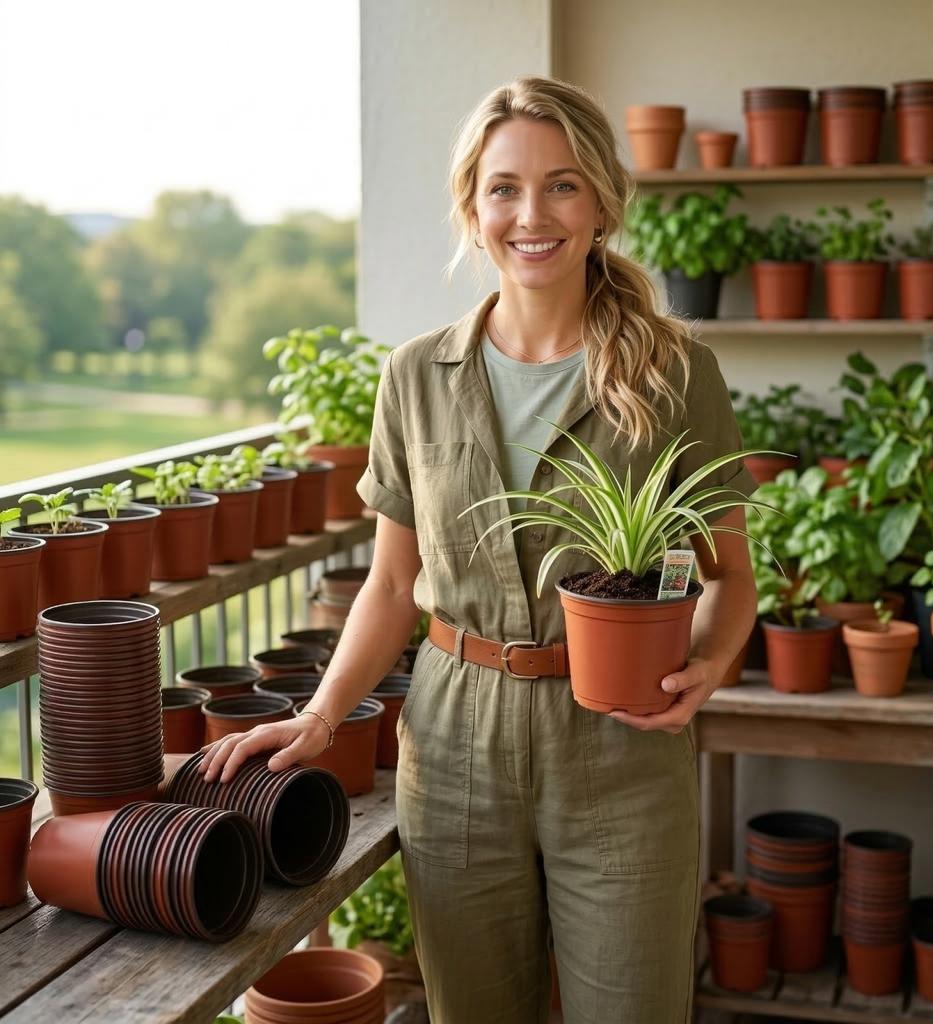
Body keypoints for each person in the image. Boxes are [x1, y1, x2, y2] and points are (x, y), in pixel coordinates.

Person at [200, 75, 757, 1024]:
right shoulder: (415, 374)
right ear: (472, 206)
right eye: (504, 188)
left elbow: (729, 574)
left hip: (621, 749)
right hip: (457, 742)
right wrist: (323, 717)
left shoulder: (674, 370)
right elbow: (390, 583)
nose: (531, 214)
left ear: (602, 204)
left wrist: (707, 663)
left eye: (562, 185)